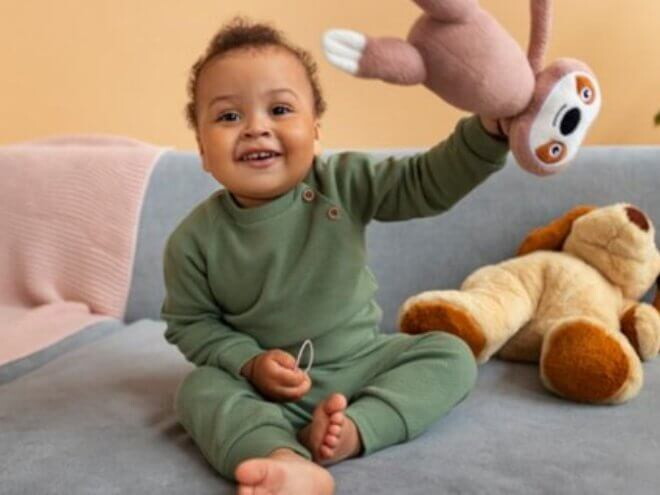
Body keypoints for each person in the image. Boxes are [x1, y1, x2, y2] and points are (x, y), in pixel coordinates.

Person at [161, 16, 509, 495]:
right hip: (265, 389)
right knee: (197, 391)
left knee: (450, 354)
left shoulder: (342, 183)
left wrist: (487, 133)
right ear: (202, 150)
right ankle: (282, 457)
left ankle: (354, 431)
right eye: (228, 117)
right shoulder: (193, 240)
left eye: (280, 109)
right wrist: (250, 363)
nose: (256, 128)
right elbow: (193, 324)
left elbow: (423, 183)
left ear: (316, 132)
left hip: (363, 363)